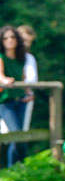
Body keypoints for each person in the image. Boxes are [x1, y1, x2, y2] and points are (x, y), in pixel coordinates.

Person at [0, 25, 31, 167]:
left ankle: (19, 169)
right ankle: (14, 169)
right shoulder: (1, 57)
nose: (9, 40)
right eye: (6, 38)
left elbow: (23, 77)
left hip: (21, 102)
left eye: (12, 37)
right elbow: (0, 75)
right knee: (16, 135)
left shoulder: (21, 58)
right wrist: (5, 80)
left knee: (20, 138)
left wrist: (29, 92)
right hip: (6, 103)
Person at [17, 25, 37, 131]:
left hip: (26, 100)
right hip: (7, 100)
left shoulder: (30, 58)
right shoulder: (4, 57)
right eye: (24, 40)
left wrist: (29, 92)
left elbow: (33, 80)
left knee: (21, 133)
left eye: (29, 41)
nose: (26, 44)